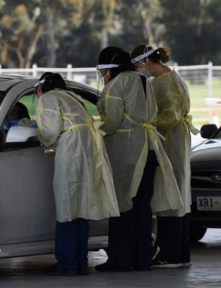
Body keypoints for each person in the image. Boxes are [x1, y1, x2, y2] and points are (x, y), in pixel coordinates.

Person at [94, 47, 183, 272]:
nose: (103, 74)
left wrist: (97, 131)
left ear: (109, 69)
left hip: (127, 152)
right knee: (143, 208)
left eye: (103, 70)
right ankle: (142, 259)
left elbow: (112, 120)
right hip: (150, 151)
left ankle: (120, 260)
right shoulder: (143, 80)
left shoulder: (115, 85)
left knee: (123, 205)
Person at [35, 72, 119, 276]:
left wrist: (37, 133)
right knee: (81, 206)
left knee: (66, 205)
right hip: (88, 149)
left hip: (71, 149)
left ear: (41, 87)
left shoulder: (47, 98)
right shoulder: (73, 96)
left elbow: (50, 131)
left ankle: (67, 262)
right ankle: (80, 261)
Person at [131, 45, 199, 268]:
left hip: (169, 141)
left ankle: (170, 254)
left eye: (137, 66)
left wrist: (146, 123)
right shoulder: (174, 77)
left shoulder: (162, 83)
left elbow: (170, 117)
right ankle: (181, 254)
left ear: (146, 63)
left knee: (168, 195)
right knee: (178, 195)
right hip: (178, 141)